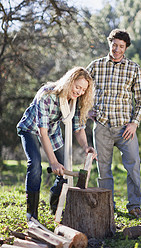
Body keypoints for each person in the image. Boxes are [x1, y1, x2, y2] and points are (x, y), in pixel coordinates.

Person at [17, 67, 96, 221]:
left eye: (83, 89)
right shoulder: (47, 94)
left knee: (65, 170)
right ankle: (31, 214)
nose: (79, 91)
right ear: (69, 81)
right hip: (31, 128)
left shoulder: (77, 100)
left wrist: (86, 147)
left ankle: (55, 208)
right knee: (35, 165)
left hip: (52, 131)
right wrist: (53, 162)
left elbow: (78, 128)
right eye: (77, 87)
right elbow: (42, 132)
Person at [87, 29, 141, 219]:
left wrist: (134, 123)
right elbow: (81, 88)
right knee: (104, 169)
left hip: (125, 128)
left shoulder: (133, 68)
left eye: (121, 46)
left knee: (133, 166)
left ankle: (134, 205)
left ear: (126, 48)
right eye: (114, 45)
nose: (117, 49)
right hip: (102, 126)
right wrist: (87, 109)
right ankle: (107, 207)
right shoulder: (96, 66)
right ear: (109, 43)